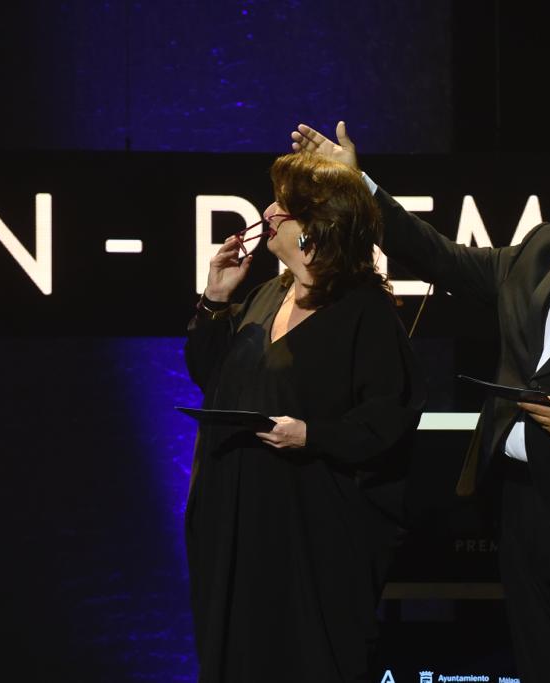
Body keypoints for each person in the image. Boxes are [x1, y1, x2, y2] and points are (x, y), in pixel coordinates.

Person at [292, 122, 550, 682]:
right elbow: (438, 256)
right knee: (534, 667)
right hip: (515, 507)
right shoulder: (541, 250)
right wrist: (359, 184)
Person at [183, 152, 426, 683]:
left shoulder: (366, 313)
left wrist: (312, 435)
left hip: (308, 533)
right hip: (238, 521)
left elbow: (389, 420)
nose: (269, 211)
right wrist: (216, 301)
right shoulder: (268, 294)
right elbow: (214, 377)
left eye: (284, 206)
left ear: (316, 228)